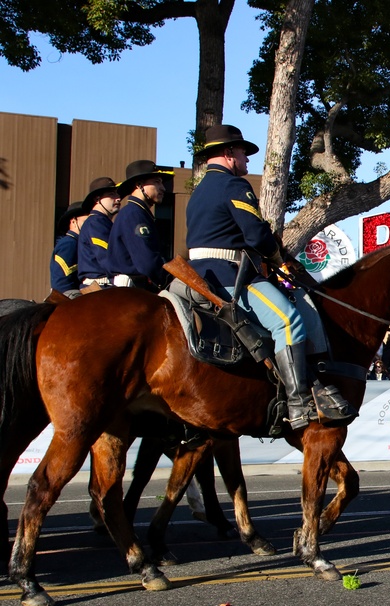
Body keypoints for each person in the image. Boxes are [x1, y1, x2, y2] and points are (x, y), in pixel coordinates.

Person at [185, 124, 356, 429]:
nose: (247, 160)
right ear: (228, 154)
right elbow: (255, 235)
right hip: (231, 276)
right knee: (289, 320)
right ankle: (298, 401)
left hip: (198, 275)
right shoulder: (234, 187)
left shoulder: (198, 192)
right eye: (242, 153)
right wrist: (278, 258)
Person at [105, 159, 172, 291]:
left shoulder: (137, 212)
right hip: (133, 289)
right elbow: (147, 263)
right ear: (139, 185)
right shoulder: (134, 214)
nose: (163, 188)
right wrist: (170, 278)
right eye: (157, 182)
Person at [77, 176, 121, 289]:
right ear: (97, 199)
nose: (118, 198)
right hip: (100, 286)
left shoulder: (102, 222)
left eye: (117, 194)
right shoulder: (95, 223)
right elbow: (107, 256)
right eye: (111, 195)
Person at [50, 201, 88, 298]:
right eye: (86, 221)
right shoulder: (69, 243)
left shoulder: (77, 242)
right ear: (73, 221)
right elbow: (62, 281)